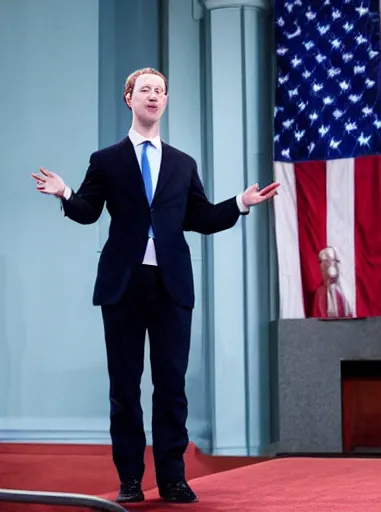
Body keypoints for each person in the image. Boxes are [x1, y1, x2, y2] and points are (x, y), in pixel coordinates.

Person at [31, 67, 279, 504]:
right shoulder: (106, 160)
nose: (154, 95)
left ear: (165, 101)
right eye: (145, 89)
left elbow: (199, 217)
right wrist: (65, 192)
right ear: (129, 97)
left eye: (160, 90)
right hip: (123, 285)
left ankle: (172, 478)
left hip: (171, 286)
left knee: (171, 385)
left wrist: (241, 203)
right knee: (124, 387)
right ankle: (130, 479)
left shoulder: (183, 164)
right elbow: (89, 211)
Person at [311, 246, 352, 319]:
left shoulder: (343, 290)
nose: (331, 264)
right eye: (327, 262)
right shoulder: (320, 293)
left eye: (333, 261)